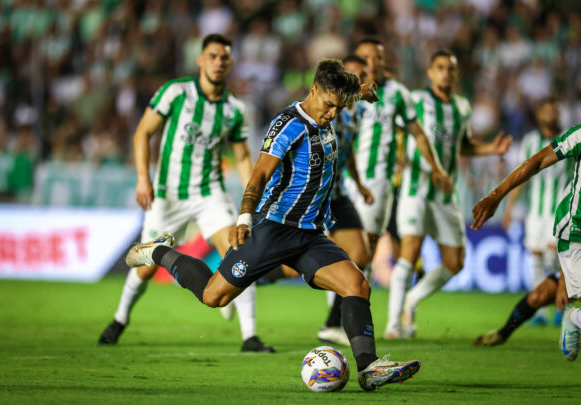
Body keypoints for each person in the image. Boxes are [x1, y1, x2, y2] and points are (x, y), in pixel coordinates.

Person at [125, 59, 421, 390]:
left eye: (339, 107)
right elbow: (259, 174)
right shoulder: (288, 124)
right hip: (272, 228)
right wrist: (244, 217)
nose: (332, 114)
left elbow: (342, 98)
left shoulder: (332, 105)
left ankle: (369, 369)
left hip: (309, 234)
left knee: (357, 286)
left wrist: (360, 93)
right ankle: (158, 252)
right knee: (213, 297)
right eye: (328, 106)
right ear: (313, 91)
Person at [98, 34, 274, 353]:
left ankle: (250, 336)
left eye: (224, 57)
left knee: (239, 251)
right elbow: (143, 132)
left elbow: (243, 156)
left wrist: (253, 197)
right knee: (147, 263)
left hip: (210, 194)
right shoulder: (176, 92)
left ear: (230, 63)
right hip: (168, 194)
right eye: (213, 56)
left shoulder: (235, 109)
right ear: (201, 59)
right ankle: (119, 319)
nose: (219, 62)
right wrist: (142, 178)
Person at [386, 49, 512, 339]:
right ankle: (393, 323)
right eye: (440, 67)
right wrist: (397, 155)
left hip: (445, 194)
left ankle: (412, 300)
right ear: (430, 72)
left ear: (456, 75)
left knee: (455, 262)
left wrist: (490, 149)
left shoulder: (462, 107)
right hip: (416, 187)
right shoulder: (416, 100)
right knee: (410, 250)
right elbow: (395, 131)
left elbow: (462, 145)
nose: (445, 73)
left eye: (451, 69)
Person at [349, 37, 452, 297]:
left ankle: (346, 315)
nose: (372, 63)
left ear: (384, 62)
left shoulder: (397, 93)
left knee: (367, 249)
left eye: (378, 57)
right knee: (335, 248)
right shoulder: (340, 91)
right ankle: (336, 314)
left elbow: (417, 133)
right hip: (341, 181)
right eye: (366, 57)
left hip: (378, 181)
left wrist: (437, 168)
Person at [472, 123, 581, 361]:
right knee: (542, 294)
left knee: (542, 293)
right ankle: (572, 315)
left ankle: (573, 312)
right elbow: (537, 162)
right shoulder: (579, 135)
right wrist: (496, 195)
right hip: (575, 233)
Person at [317, 54, 375, 347]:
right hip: (318, 194)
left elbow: (347, 152)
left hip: (338, 193)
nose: (359, 80)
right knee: (291, 261)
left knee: (360, 256)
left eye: (362, 75)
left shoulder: (358, 113)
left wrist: (361, 184)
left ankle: (331, 324)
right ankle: (256, 276)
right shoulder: (328, 107)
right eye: (353, 75)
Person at [501, 98, 571, 326]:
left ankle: (561, 305)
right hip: (536, 213)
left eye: (554, 110)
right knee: (536, 259)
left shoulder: (568, 140)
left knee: (555, 257)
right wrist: (509, 208)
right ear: (539, 115)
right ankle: (540, 312)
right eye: (546, 110)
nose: (551, 114)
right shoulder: (531, 142)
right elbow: (522, 177)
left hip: (560, 212)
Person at [473, 271, 568, 347]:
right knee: (536, 297)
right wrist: (562, 285)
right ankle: (503, 333)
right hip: (573, 266)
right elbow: (565, 249)